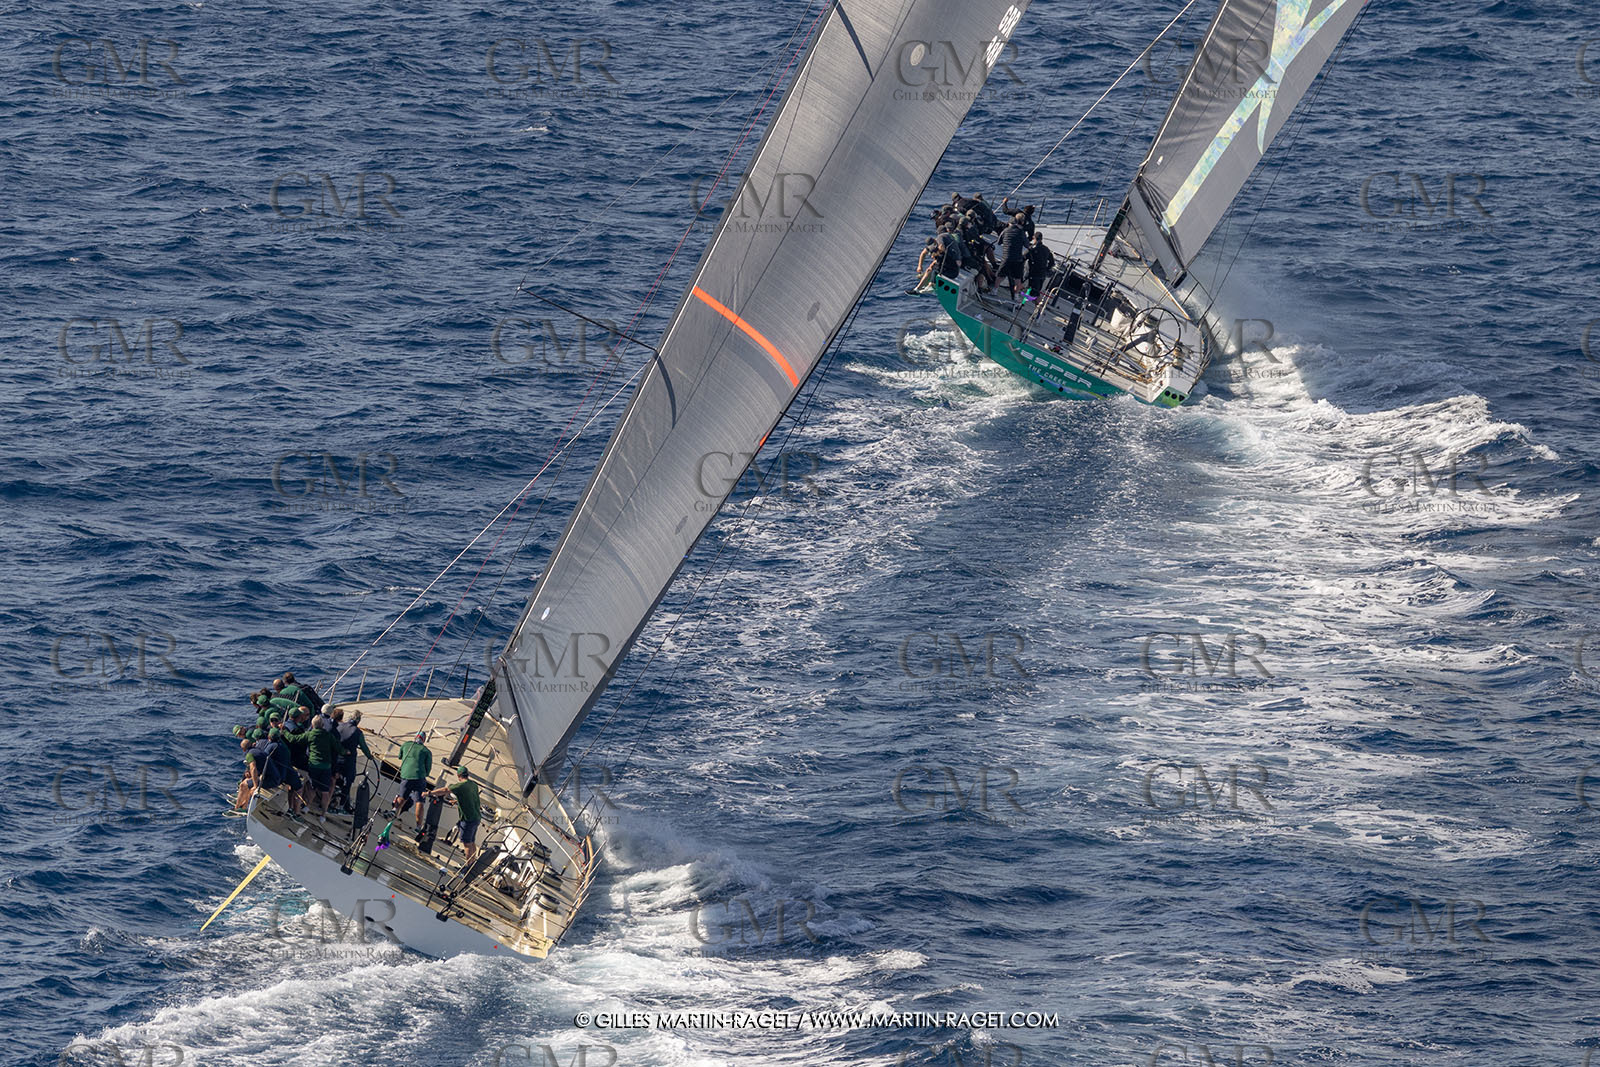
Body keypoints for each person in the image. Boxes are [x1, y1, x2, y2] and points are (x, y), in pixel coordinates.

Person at [292, 713, 344, 820]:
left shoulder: (310, 734)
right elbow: (339, 749)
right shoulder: (329, 736)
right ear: (322, 725)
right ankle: (323, 815)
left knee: (312, 787)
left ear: (313, 724)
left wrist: (285, 732)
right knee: (325, 792)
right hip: (326, 768)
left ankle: (307, 806)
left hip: (313, 766)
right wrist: (346, 751)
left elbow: (295, 739)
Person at [428, 766, 483, 864]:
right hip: (476, 817)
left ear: (459, 775)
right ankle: (473, 863)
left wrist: (429, 793)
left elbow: (445, 790)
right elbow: (469, 796)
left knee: (466, 843)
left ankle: (468, 866)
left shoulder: (460, 785)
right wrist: (457, 800)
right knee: (472, 842)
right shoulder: (474, 785)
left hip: (468, 818)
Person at [333, 709, 374, 814]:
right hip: (348, 762)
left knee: (334, 779)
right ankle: (343, 806)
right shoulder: (357, 732)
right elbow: (364, 747)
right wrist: (370, 756)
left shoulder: (339, 726)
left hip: (335, 758)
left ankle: (331, 799)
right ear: (358, 721)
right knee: (347, 782)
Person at [393, 731, 433, 830]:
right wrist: (424, 774)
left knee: (402, 797)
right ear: (423, 740)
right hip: (420, 778)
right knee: (419, 802)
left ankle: (394, 811)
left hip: (406, 775)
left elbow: (400, 757)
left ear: (415, 737)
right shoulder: (426, 751)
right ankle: (418, 827)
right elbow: (428, 769)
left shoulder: (406, 745)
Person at [996, 215, 1029, 300]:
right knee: (1017, 279)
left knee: (1000, 275)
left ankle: (994, 290)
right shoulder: (1021, 232)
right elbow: (1027, 244)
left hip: (1006, 258)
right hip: (1018, 259)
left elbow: (999, 242)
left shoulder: (1005, 231)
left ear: (1009, 223)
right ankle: (1016, 296)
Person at [1026, 232, 1056, 302]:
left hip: (1034, 273)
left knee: (1033, 291)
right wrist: (1046, 269)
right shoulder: (1046, 249)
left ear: (1034, 238)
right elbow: (1052, 262)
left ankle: (1038, 309)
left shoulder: (1032, 249)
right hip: (1042, 274)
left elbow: (1023, 257)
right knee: (1035, 290)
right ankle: (1026, 303)